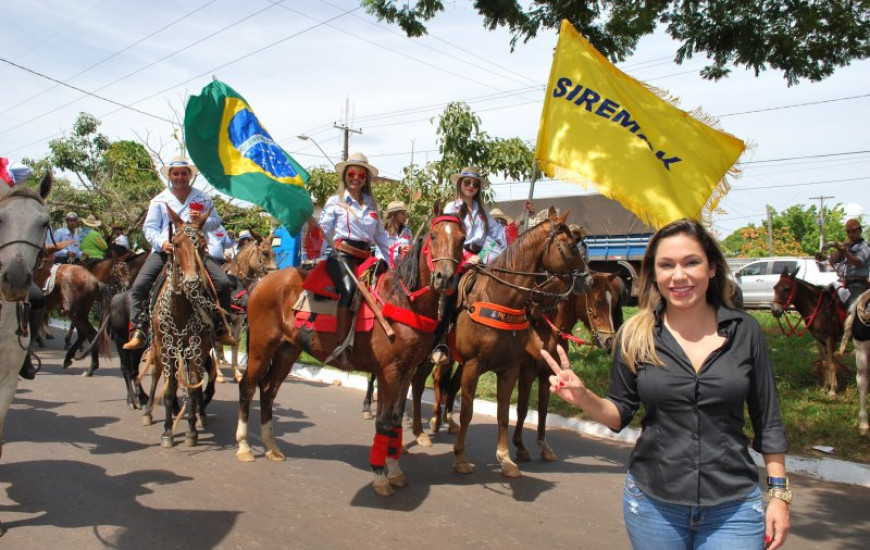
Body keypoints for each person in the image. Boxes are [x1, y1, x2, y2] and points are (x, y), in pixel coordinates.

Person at [541, 218, 790, 550]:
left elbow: (768, 419)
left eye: (691, 262)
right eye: (666, 265)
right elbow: (619, 414)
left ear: (712, 268)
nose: (679, 275)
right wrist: (584, 397)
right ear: (654, 275)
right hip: (653, 505)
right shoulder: (635, 334)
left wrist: (779, 494)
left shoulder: (744, 331)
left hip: (734, 506)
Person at [123, 156, 235, 349]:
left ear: (190, 175)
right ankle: (139, 330)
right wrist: (162, 242)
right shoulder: (159, 200)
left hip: (195, 252)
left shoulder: (203, 198)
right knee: (138, 287)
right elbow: (149, 228)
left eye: (184, 173)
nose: (180, 177)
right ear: (170, 176)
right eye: (176, 173)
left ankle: (221, 327)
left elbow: (216, 222)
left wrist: (202, 219)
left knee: (223, 284)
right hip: (166, 251)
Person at [317, 152, 392, 354]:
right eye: (351, 173)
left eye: (361, 175)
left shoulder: (372, 204)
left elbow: (382, 238)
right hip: (341, 256)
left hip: (367, 258)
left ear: (366, 179)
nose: (356, 178)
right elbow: (322, 230)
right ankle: (341, 345)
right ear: (345, 176)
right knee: (350, 290)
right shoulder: (334, 201)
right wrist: (317, 250)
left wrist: (395, 261)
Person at [829, 218, 870, 308]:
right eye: (848, 232)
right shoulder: (846, 245)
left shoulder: (864, 246)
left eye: (854, 231)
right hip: (843, 283)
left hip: (858, 284)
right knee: (826, 300)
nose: (851, 234)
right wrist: (842, 247)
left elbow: (858, 263)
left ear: (860, 231)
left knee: (853, 308)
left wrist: (845, 252)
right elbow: (833, 259)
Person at [383, 200, 413, 268]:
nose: (405, 216)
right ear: (394, 215)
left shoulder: (407, 231)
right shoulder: (383, 232)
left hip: (404, 269)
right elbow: (379, 253)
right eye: (402, 213)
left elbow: (411, 248)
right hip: (386, 269)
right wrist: (398, 250)